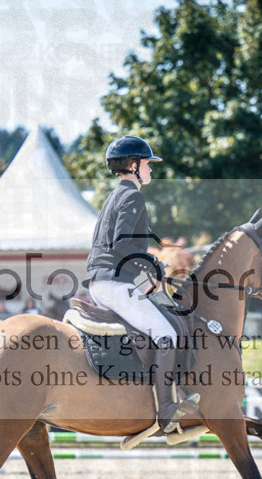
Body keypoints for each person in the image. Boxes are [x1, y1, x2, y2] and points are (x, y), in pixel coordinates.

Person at [83, 135, 198, 434]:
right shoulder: (133, 196)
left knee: (164, 308)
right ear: (133, 166)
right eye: (147, 164)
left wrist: (148, 270)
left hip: (105, 280)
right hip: (111, 282)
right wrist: (153, 265)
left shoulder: (116, 195)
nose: (150, 169)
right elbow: (122, 245)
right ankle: (167, 409)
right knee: (166, 333)